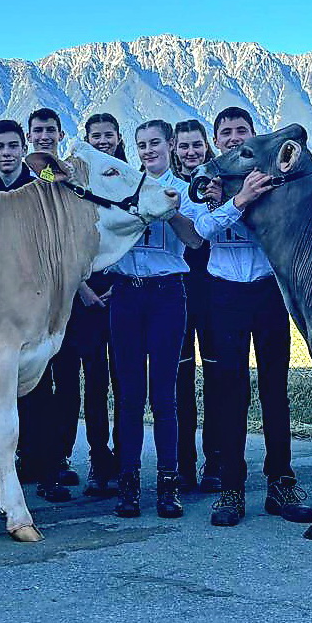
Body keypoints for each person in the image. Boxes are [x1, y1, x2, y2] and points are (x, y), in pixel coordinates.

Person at [195, 107, 312, 528]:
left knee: (275, 388)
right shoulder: (205, 177)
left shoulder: (272, 177)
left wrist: (251, 195)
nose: (232, 138)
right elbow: (198, 232)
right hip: (223, 292)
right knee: (229, 391)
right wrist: (238, 200)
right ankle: (231, 486)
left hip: (267, 290)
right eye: (225, 132)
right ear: (216, 138)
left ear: (252, 135)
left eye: (240, 132)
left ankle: (281, 482)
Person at [0, 120, 69, 504]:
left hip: (34, 309)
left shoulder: (44, 191)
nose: (6, 153)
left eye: (12, 146)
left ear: (24, 147)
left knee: (41, 394)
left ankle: (49, 470)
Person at [105, 120, 204, 518]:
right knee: (129, 396)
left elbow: (196, 240)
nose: (148, 151)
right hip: (127, 292)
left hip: (167, 293)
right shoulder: (124, 187)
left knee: (164, 396)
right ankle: (127, 484)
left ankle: (168, 484)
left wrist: (172, 211)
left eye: (155, 144)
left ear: (171, 147)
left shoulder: (182, 190)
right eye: (141, 144)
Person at [28, 108, 83, 490]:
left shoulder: (74, 180)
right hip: (26, 301)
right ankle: (29, 455)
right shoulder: (10, 183)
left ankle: (58, 458)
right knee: (31, 380)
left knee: (66, 379)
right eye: (38, 131)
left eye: (50, 130)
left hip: (69, 295)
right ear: (29, 137)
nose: (44, 136)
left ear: (61, 135)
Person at [72, 113, 124, 497]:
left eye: (108, 135)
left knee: (125, 383)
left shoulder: (129, 179)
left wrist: (120, 288)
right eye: (96, 137)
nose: (103, 141)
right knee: (94, 383)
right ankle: (97, 456)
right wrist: (84, 289)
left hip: (123, 292)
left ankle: (124, 458)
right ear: (87, 141)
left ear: (118, 137)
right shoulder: (78, 185)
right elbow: (69, 244)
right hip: (87, 296)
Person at [172, 118, 220, 492]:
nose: (191, 151)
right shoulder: (168, 190)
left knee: (217, 380)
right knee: (181, 382)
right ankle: (184, 463)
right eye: (184, 145)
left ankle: (216, 461)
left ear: (207, 146)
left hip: (216, 291)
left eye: (196, 144)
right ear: (175, 148)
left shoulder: (220, 183)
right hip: (179, 293)